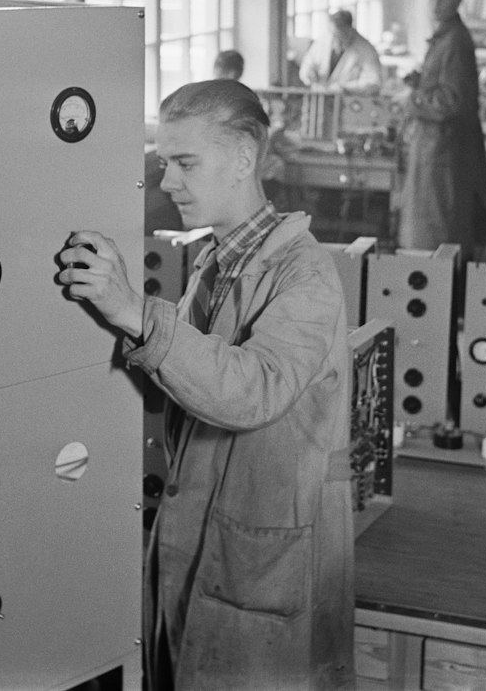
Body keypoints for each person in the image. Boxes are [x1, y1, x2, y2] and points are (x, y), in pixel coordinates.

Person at [57, 79, 354, 691]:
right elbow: (184, 383)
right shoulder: (218, 265)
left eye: (185, 163)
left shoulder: (305, 275)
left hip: (258, 564)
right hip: (196, 543)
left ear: (244, 157)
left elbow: (253, 390)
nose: (166, 181)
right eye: (165, 162)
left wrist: (135, 313)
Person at [398, 0, 486, 259]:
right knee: (427, 237)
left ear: (457, 2)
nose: (435, 3)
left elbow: (451, 102)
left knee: (436, 239)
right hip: (433, 150)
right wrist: (421, 80)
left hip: (442, 155)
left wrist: (413, 98)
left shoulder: (456, 41)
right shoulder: (445, 37)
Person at [298, 8, 382, 93]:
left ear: (349, 29)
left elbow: (373, 82)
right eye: (333, 34)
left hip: (349, 101)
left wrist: (345, 88)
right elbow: (307, 63)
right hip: (321, 98)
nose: (335, 40)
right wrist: (309, 74)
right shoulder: (323, 41)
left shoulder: (366, 49)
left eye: (339, 35)